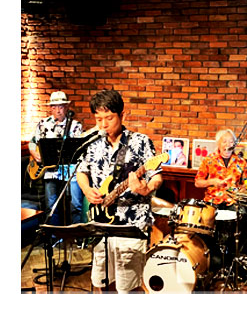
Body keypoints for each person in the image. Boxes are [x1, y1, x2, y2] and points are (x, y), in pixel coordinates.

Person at [76, 89, 163, 293]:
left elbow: (157, 176)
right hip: (101, 222)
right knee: (102, 280)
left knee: (129, 285)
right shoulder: (92, 143)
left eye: (109, 118)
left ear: (122, 115)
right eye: (98, 119)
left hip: (131, 222)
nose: (103, 125)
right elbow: (81, 171)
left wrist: (146, 188)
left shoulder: (140, 142)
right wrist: (87, 190)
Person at [195, 129, 247, 269]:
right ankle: (213, 260)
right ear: (218, 143)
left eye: (231, 142)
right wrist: (212, 181)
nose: (228, 145)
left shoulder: (241, 162)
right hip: (212, 201)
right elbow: (198, 182)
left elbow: (246, 184)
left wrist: (241, 190)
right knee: (206, 227)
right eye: (224, 141)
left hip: (232, 201)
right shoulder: (209, 160)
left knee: (244, 218)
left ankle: (232, 260)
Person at [28, 90, 84, 225]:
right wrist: (34, 153)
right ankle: (54, 234)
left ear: (66, 107)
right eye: (54, 107)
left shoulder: (75, 126)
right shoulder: (43, 124)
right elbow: (32, 142)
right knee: (51, 205)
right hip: (50, 170)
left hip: (70, 170)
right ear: (50, 108)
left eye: (61, 106)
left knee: (76, 204)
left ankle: (76, 232)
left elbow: (78, 149)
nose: (58, 110)